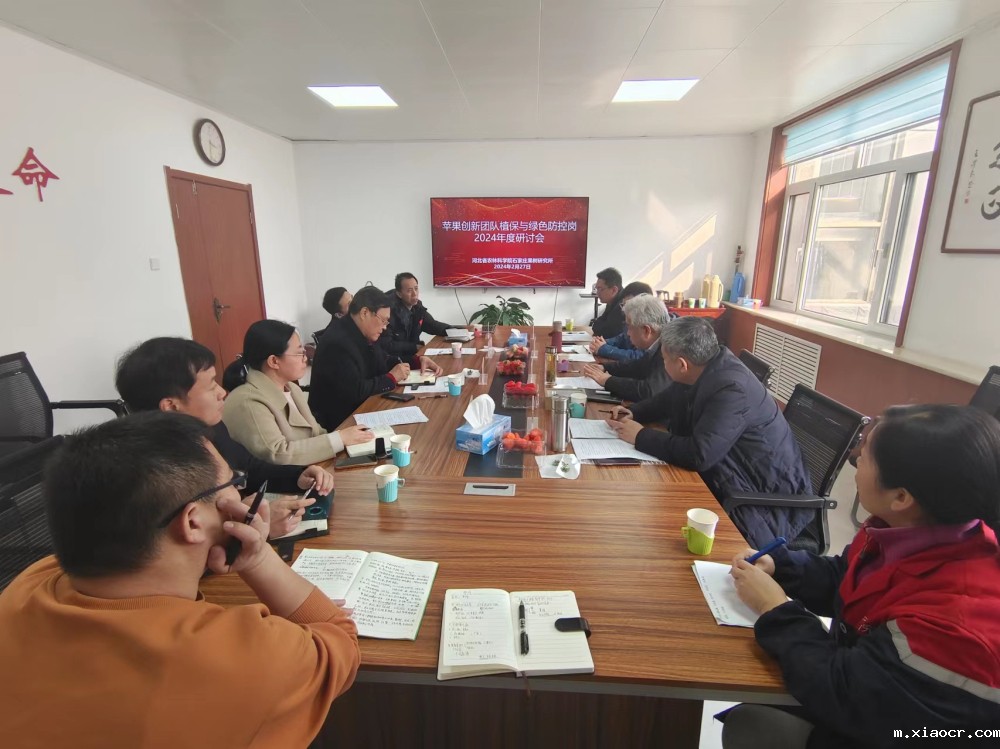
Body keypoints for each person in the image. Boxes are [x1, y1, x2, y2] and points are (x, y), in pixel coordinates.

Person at [0, 412, 360, 747]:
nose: (240, 493)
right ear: (192, 522)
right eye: (234, 482)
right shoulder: (242, 656)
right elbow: (340, 640)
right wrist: (260, 557)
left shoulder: (28, 584)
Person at [723, 405, 1000, 749]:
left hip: (899, 730)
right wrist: (782, 567)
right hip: (879, 694)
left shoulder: (952, 624)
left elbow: (847, 694)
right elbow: (849, 579)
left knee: (752, 724)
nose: (854, 458)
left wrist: (775, 608)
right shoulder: (903, 531)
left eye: (864, 456)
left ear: (901, 497)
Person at [608, 317, 810, 544]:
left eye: (664, 359)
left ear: (682, 364)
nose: (663, 364)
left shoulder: (732, 389)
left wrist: (640, 435)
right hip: (729, 473)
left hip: (760, 499)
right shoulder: (704, 367)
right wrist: (634, 412)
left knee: (651, 524)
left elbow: (699, 454)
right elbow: (667, 399)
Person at [115, 336, 334, 539]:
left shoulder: (209, 427)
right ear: (171, 406)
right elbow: (180, 547)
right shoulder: (153, 474)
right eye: (211, 386)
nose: (222, 392)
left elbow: (249, 467)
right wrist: (255, 526)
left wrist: (298, 475)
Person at [222, 320, 372, 465]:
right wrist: (339, 439)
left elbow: (317, 432)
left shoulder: (291, 388)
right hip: (286, 480)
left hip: (314, 468)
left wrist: (350, 440)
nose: (305, 359)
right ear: (274, 361)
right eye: (299, 353)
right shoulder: (248, 402)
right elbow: (278, 453)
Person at [309, 285, 443, 431]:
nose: (385, 327)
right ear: (364, 313)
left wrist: (415, 361)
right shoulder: (338, 342)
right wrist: (391, 378)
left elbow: (381, 360)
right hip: (340, 422)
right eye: (383, 320)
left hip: (363, 409)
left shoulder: (360, 330)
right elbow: (355, 391)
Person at [581, 294, 671, 402]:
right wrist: (605, 367)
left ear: (647, 330)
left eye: (629, 327)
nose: (627, 333)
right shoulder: (658, 343)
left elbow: (648, 391)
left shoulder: (670, 349)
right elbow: (637, 366)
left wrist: (606, 380)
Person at [382, 272, 457, 357]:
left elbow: (432, 325)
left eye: (416, 288)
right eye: (409, 290)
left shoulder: (417, 307)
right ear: (399, 294)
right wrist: (414, 347)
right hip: (394, 359)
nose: (415, 294)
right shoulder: (388, 312)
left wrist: (456, 331)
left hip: (412, 356)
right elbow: (387, 344)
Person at [588, 281, 654, 362]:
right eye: (623, 305)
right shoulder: (631, 320)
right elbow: (622, 338)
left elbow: (639, 356)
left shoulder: (651, 326)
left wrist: (604, 349)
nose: (623, 310)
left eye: (628, 305)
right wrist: (603, 342)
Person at [589, 267, 625, 338]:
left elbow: (607, 332)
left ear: (614, 290)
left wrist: (600, 325)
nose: (597, 293)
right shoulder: (611, 301)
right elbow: (598, 324)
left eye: (600, 289)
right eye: (597, 289)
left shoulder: (622, 305)